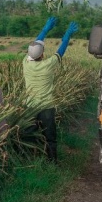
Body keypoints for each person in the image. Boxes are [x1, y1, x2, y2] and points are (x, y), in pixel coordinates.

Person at [23, 16, 79, 162]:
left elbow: (34, 46)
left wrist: (45, 29)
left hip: (30, 106)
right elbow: (61, 51)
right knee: (50, 137)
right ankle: (52, 162)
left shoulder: (25, 63)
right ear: (42, 54)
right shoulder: (48, 64)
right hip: (47, 107)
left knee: (29, 135)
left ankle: (28, 160)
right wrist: (67, 35)